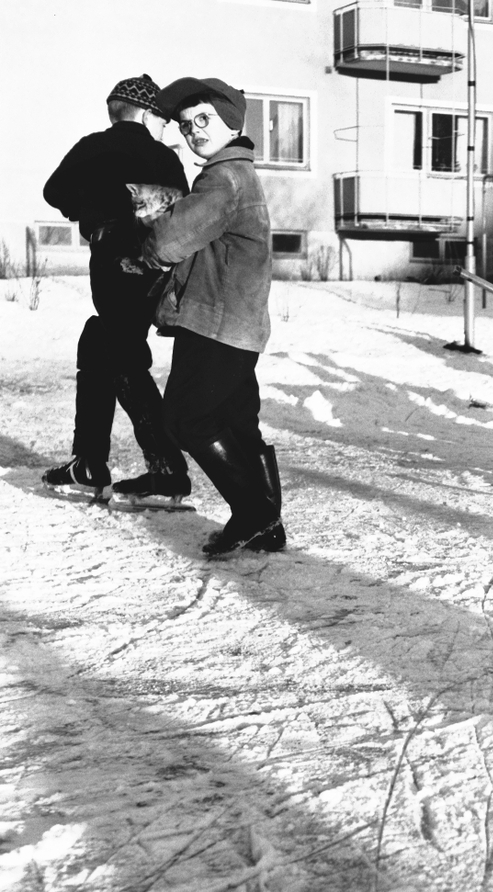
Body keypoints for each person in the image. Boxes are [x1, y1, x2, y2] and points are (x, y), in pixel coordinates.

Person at [143, 76, 283, 554]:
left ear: (229, 120)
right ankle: (268, 525)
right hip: (238, 325)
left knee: (186, 418)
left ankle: (256, 515)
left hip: (215, 323)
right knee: (239, 423)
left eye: (203, 119)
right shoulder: (240, 173)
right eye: (185, 125)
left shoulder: (222, 178)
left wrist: (150, 218)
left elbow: (167, 242)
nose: (193, 131)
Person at [41, 75, 191, 503]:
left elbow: (54, 191)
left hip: (111, 261)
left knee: (120, 352)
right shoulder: (163, 157)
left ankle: (167, 471)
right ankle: (88, 463)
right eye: (161, 119)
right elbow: (179, 207)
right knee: (100, 342)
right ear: (146, 114)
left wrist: (93, 209)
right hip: (153, 265)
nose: (164, 128)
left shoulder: (93, 147)